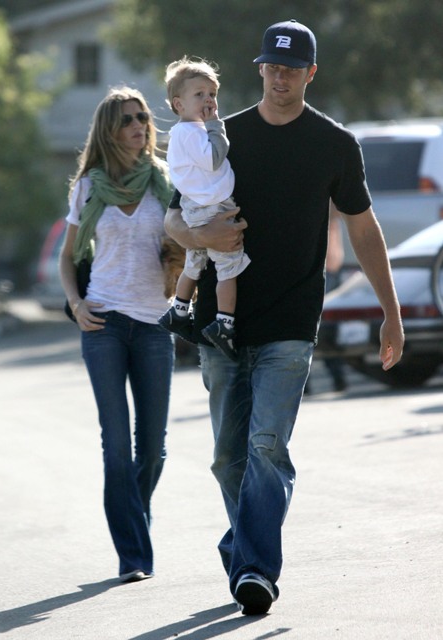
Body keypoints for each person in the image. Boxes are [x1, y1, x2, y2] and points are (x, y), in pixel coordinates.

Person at [164, 20, 405, 615]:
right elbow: (172, 218)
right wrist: (200, 235)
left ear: (310, 74)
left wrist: (391, 312)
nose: (280, 77)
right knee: (228, 458)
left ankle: (255, 569)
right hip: (219, 319)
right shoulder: (221, 136)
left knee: (267, 447)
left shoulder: (334, 143)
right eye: (272, 66)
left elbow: (363, 228)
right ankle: (245, 545)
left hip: (292, 320)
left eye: (292, 69)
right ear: (260, 69)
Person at [59, 86, 174, 583]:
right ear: (109, 129)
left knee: (152, 448)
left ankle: (134, 520)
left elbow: (184, 245)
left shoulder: (164, 182)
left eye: (142, 117)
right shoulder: (88, 187)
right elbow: (68, 258)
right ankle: (133, 556)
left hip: (154, 325)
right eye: (127, 119)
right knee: (115, 443)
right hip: (103, 323)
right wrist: (76, 303)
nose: (138, 126)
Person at [158, 57, 250, 361]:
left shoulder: (182, 133)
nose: (209, 100)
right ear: (179, 104)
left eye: (212, 94)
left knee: (195, 263)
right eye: (199, 94)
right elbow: (214, 158)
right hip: (213, 207)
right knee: (229, 268)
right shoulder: (193, 132)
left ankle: (178, 310)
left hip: (196, 207)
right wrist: (215, 126)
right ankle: (224, 323)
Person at [305, 203, 347, 394]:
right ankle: (331, 377)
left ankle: (337, 376)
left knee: (323, 327)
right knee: (318, 327)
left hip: (328, 264)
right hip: (322, 264)